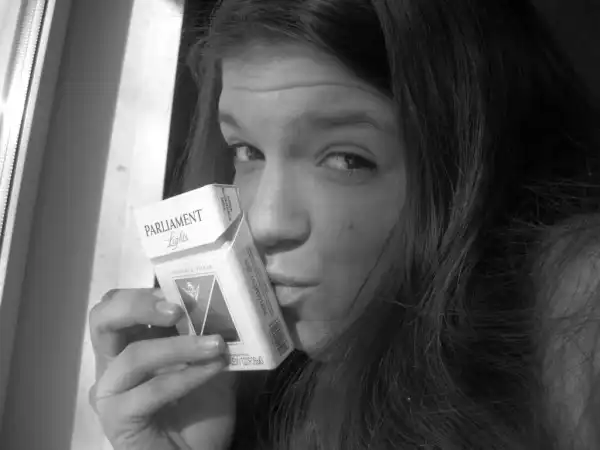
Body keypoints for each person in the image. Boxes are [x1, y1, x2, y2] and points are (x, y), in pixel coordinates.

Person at [88, 0, 600, 448]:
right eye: (246, 151)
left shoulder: (571, 299)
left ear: (468, 161)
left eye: (346, 159)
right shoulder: (258, 386)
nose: (263, 223)